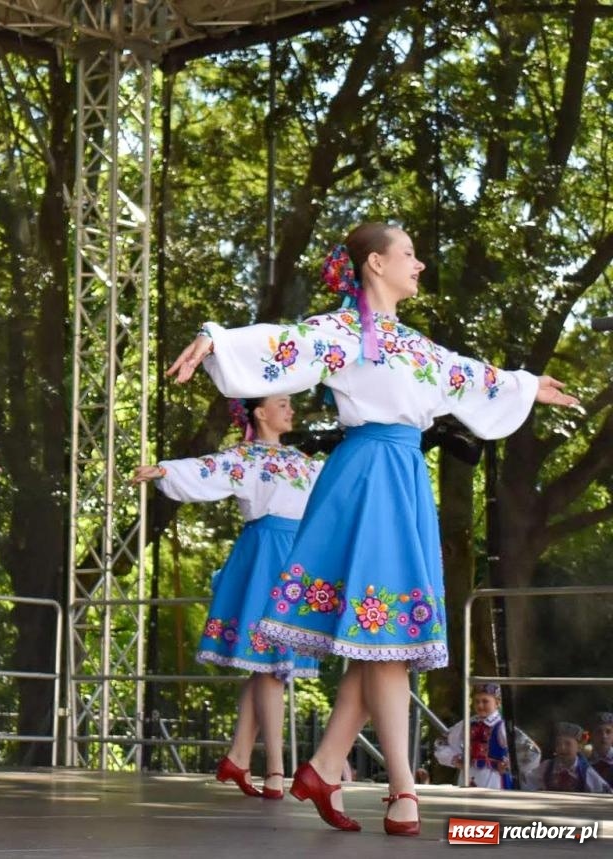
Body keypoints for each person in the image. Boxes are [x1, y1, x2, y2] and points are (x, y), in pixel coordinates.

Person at [165, 222, 579, 836]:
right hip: (367, 476)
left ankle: (325, 766)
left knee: (380, 638)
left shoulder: (415, 344)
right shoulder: (344, 331)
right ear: (376, 264)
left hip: (404, 476)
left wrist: (525, 385)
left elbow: (468, 375)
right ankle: (401, 789)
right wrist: (215, 339)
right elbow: (285, 342)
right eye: (409, 253)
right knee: (388, 632)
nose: (419, 263)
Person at [133, 395, 322, 800]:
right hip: (264, 555)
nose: (291, 410)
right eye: (282, 404)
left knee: (265, 664)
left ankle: (239, 756)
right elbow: (206, 470)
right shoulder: (245, 457)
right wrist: (165, 470)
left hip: (296, 556)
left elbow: (340, 493)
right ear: (260, 413)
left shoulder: (305, 461)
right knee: (270, 664)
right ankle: (276, 769)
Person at [432, 683, 539, 789]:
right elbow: (442, 743)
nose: (480, 705)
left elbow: (533, 752)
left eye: (485, 701)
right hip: (468, 777)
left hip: (494, 779)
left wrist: (509, 766)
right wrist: (455, 760)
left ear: (497, 703)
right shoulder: (467, 724)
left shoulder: (502, 727)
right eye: (476, 701)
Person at [524, 722, 612, 793]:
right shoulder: (547, 766)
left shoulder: (584, 771)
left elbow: (603, 791)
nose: (562, 748)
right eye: (558, 744)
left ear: (579, 747)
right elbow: (528, 782)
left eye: (568, 744)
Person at [588, 711, 613, 783]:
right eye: (599, 732)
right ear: (592, 735)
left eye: (608, 732)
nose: (604, 736)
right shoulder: (585, 765)